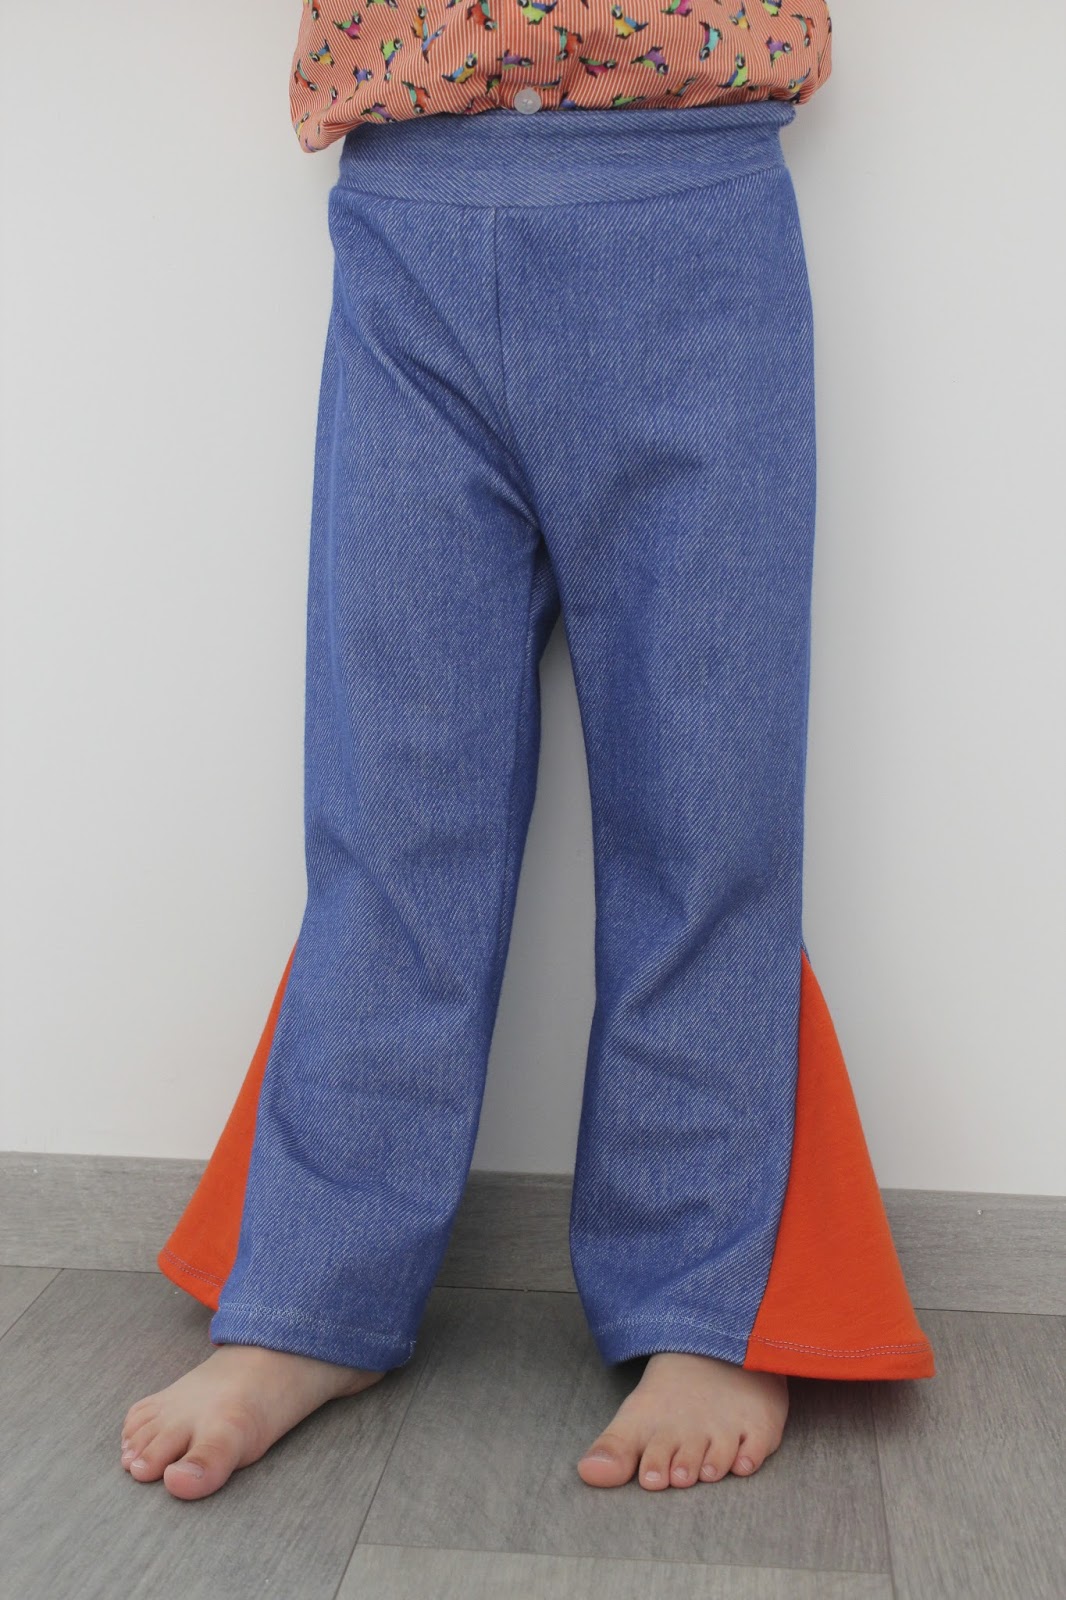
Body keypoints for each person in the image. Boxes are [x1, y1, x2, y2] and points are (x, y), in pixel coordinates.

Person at [119, 1, 936, 1503]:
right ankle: (314, 1290)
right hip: (407, 212)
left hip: (691, 201)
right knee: (393, 806)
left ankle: (701, 1290)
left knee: (706, 800)